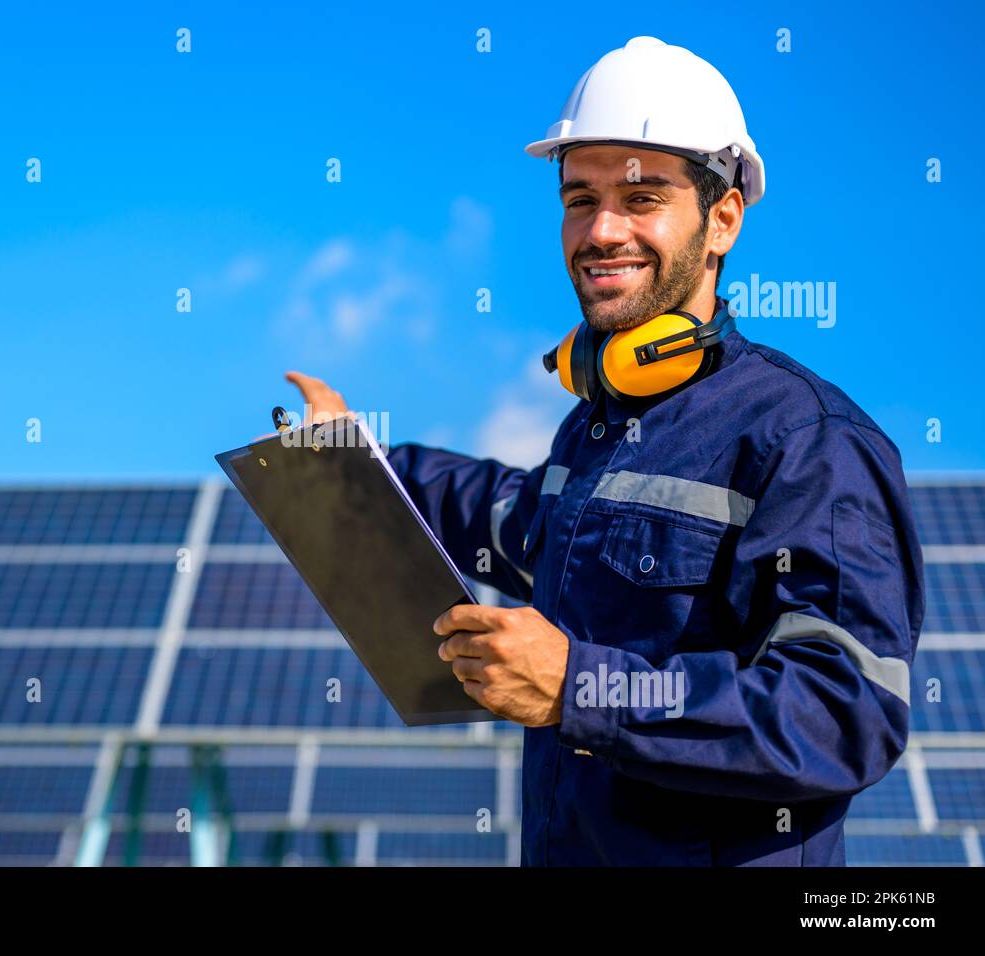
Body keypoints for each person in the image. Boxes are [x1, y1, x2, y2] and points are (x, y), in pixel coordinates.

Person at [283, 36, 924, 866]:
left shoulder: (807, 438)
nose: (601, 230)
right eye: (579, 198)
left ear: (724, 216)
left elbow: (844, 715)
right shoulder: (589, 430)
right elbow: (499, 512)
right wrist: (355, 456)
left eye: (642, 197)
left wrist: (580, 689)